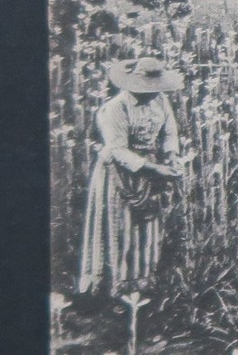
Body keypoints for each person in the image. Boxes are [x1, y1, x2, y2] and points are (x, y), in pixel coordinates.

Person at [79, 56, 185, 297]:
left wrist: (171, 156)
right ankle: (112, 286)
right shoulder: (115, 108)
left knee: (145, 225)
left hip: (148, 171)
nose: (151, 93)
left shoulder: (160, 100)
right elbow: (117, 150)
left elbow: (170, 132)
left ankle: (141, 283)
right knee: (119, 225)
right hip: (118, 172)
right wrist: (154, 168)